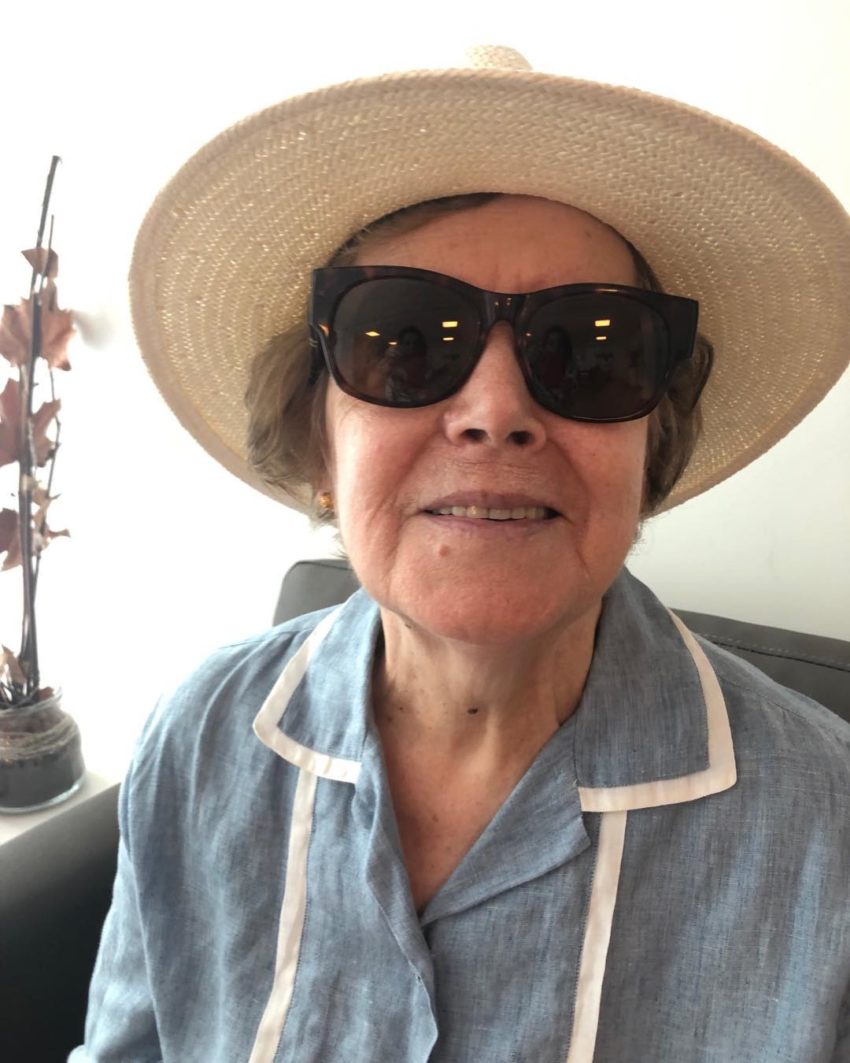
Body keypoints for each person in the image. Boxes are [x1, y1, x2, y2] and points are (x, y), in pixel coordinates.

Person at [73, 46, 850, 1062]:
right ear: (318, 438)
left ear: (649, 449)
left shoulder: (828, 826)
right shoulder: (200, 735)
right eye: (403, 341)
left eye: (590, 350)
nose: (495, 410)